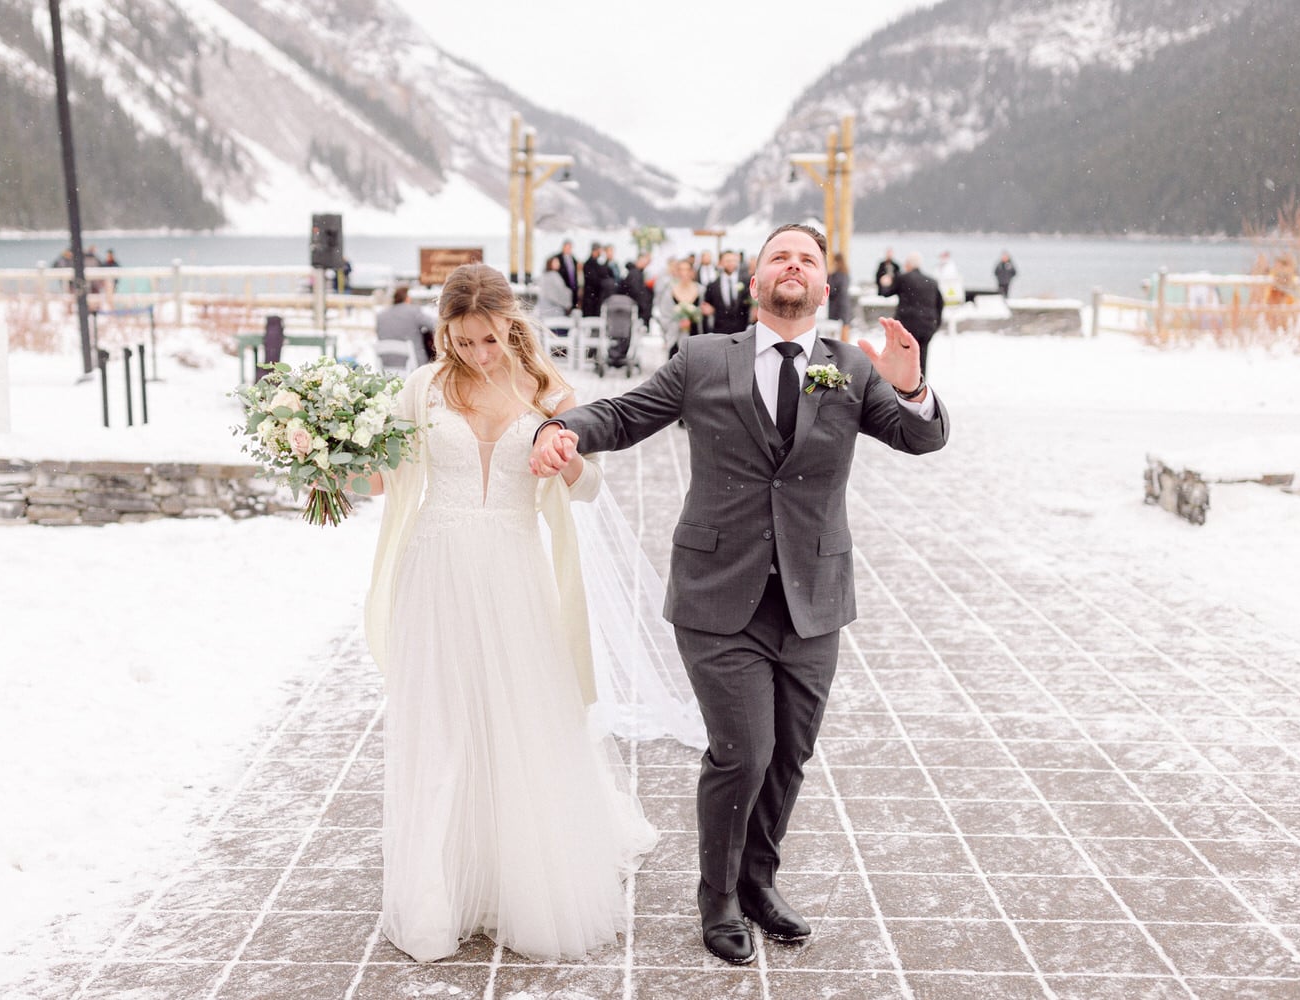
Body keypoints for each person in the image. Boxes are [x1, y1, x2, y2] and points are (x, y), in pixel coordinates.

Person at [530, 224, 949, 965]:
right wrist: (565, 428)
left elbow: (922, 439)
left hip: (814, 597)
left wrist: (911, 383)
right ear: (756, 281)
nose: (793, 266)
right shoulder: (700, 358)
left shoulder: (851, 369)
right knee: (743, 751)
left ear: (824, 286)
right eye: (778, 256)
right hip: (718, 594)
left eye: (808, 259)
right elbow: (625, 414)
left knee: (791, 751)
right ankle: (718, 896)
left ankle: (760, 882)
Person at [361, 264, 659, 963]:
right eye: (463, 342)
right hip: (435, 568)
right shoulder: (422, 389)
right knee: (442, 721)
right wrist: (323, 454)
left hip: (515, 570)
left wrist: (568, 464)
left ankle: (518, 877)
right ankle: (438, 887)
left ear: (509, 323)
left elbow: (586, 491)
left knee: (518, 715)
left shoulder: (549, 392)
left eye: (488, 339)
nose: (477, 354)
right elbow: (380, 478)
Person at [884, 252, 944, 378]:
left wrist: (884, 282)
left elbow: (886, 293)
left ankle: (905, 385)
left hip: (908, 326)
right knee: (922, 357)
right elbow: (940, 304)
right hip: (927, 325)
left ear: (908, 265)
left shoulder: (903, 278)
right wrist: (936, 324)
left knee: (904, 357)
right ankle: (921, 383)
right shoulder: (932, 281)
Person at [656, 258, 706, 354]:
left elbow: (706, 315)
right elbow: (664, 316)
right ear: (676, 272)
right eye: (681, 270)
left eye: (687, 269)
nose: (684, 273)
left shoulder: (701, 290)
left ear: (692, 272)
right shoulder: (669, 291)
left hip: (696, 338)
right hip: (675, 340)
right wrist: (678, 324)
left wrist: (696, 317)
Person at [375, 285, 436, 362]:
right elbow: (435, 325)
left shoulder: (381, 315)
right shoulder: (414, 312)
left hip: (386, 363)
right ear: (407, 298)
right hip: (412, 363)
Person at [702, 250, 753, 336]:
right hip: (720, 330)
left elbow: (752, 300)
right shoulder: (712, 285)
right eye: (728, 260)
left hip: (742, 329)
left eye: (734, 260)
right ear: (721, 262)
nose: (731, 263)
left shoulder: (746, 281)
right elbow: (706, 304)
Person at [536, 254, 573, 319]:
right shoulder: (554, 276)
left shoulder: (544, 275)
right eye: (555, 262)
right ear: (550, 263)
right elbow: (559, 292)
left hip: (545, 310)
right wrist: (568, 294)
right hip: (554, 310)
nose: (558, 264)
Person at [827, 253, 853, 341]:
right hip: (845, 304)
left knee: (835, 331)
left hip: (836, 305)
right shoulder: (846, 274)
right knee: (845, 329)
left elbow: (831, 290)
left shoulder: (835, 275)